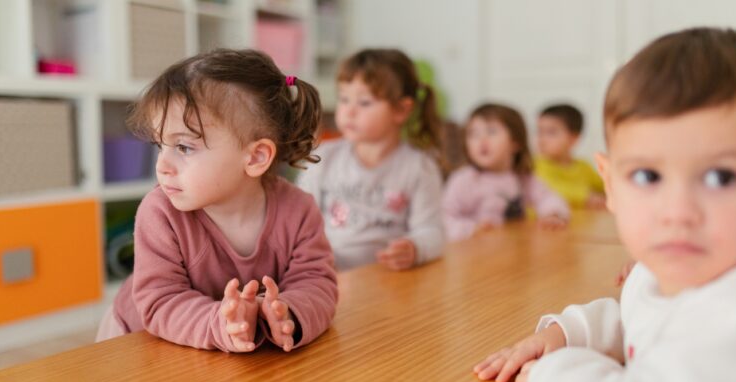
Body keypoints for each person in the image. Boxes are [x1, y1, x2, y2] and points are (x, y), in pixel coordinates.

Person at [474, 27, 736, 382]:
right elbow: (642, 316)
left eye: (721, 177)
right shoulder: (685, 259)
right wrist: (567, 334)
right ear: (610, 183)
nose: (676, 212)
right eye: (647, 176)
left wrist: (550, 372)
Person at [96, 49, 338, 354]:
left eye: (183, 147)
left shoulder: (299, 211)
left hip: (225, 355)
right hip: (137, 343)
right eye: (160, 144)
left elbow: (317, 283)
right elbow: (161, 301)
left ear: (255, 157)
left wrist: (287, 314)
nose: (162, 165)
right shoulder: (159, 213)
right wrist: (219, 323)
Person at [297, 48, 445, 271]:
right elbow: (297, 221)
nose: (349, 111)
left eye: (364, 102)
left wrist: (414, 247)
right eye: (344, 99)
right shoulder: (323, 158)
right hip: (324, 272)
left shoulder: (419, 167)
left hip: (384, 279)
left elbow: (432, 232)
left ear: (401, 110)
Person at [442, 103, 569, 242]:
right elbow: (443, 218)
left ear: (515, 142)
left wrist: (553, 214)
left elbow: (548, 198)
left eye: (491, 132)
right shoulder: (464, 180)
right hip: (474, 254)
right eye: (473, 134)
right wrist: (471, 229)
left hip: (511, 250)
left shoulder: (521, 177)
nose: (481, 140)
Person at [534, 104, 605, 208]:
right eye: (540, 132)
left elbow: (605, 186)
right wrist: (587, 197)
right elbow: (548, 188)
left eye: (551, 132)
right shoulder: (533, 164)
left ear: (573, 138)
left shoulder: (584, 166)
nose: (541, 140)